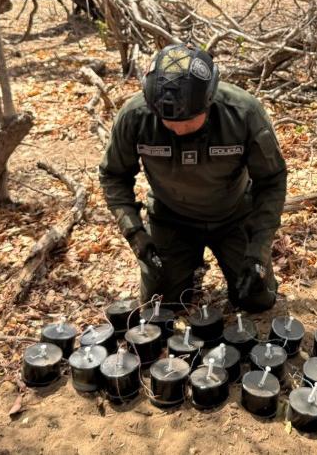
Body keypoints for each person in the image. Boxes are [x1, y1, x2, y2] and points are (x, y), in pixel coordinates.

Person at [99, 45, 287, 313]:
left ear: (209, 100)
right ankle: (186, 267)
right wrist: (135, 234)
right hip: (171, 217)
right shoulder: (134, 116)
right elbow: (113, 174)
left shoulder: (243, 113)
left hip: (233, 215)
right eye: (168, 121)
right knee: (161, 306)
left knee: (256, 298)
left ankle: (221, 265)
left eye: (190, 120)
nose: (178, 129)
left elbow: (272, 180)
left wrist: (259, 249)